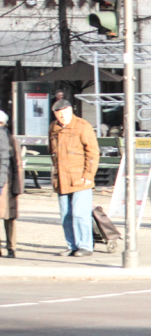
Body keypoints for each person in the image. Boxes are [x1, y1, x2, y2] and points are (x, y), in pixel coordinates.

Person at [49, 98, 99, 257]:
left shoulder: (82, 126)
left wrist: (88, 175)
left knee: (80, 213)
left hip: (80, 177)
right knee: (66, 215)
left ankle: (85, 246)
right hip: (62, 178)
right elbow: (52, 152)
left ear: (70, 111)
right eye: (59, 114)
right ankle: (72, 245)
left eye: (65, 113)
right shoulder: (53, 128)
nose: (62, 116)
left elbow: (92, 152)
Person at [0, 110, 20, 258]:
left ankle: (11, 247)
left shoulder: (11, 139)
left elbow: (17, 165)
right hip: (6, 183)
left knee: (9, 217)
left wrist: (17, 187)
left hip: (7, 184)